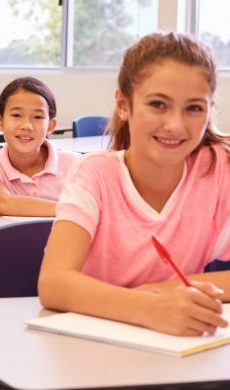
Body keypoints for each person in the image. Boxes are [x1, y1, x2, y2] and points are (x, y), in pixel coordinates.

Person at [38, 32, 230, 337]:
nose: (176, 125)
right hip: (90, 354)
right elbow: (53, 283)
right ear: (123, 104)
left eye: (194, 108)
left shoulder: (218, 171)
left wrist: (168, 290)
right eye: (158, 104)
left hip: (179, 358)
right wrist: (150, 307)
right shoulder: (95, 174)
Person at [0, 77, 80, 217]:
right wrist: (74, 210)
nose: (26, 126)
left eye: (37, 117)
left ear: (51, 126)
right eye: (17, 115)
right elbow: (5, 204)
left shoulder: (75, 164)